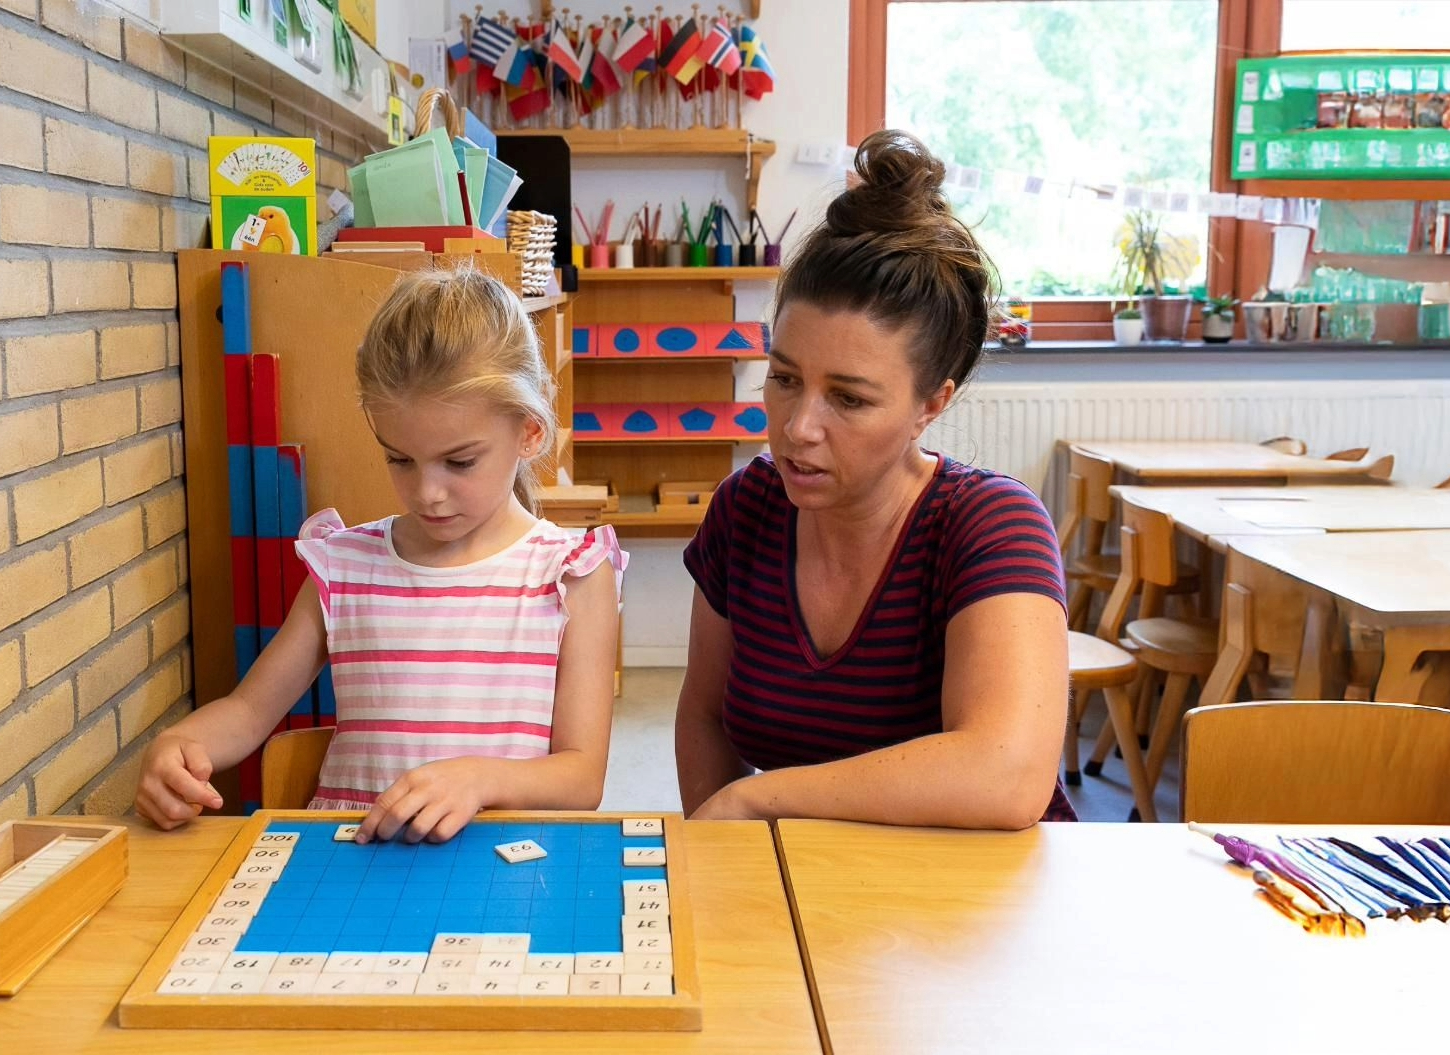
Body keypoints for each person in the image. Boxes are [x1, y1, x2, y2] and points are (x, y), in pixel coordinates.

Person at [135, 268, 625, 842]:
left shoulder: (571, 574)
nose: (427, 492)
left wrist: (478, 781)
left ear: (531, 432)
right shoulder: (344, 566)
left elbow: (580, 776)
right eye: (400, 460)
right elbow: (247, 713)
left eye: (459, 462)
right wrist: (176, 748)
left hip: (501, 867)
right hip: (352, 867)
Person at [675, 129, 1073, 829]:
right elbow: (705, 715)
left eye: (849, 399)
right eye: (785, 379)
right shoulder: (747, 512)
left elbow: (1007, 773)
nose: (799, 426)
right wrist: (725, 863)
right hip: (821, 892)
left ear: (931, 404)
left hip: (979, 908)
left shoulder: (989, 523)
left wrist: (757, 797)